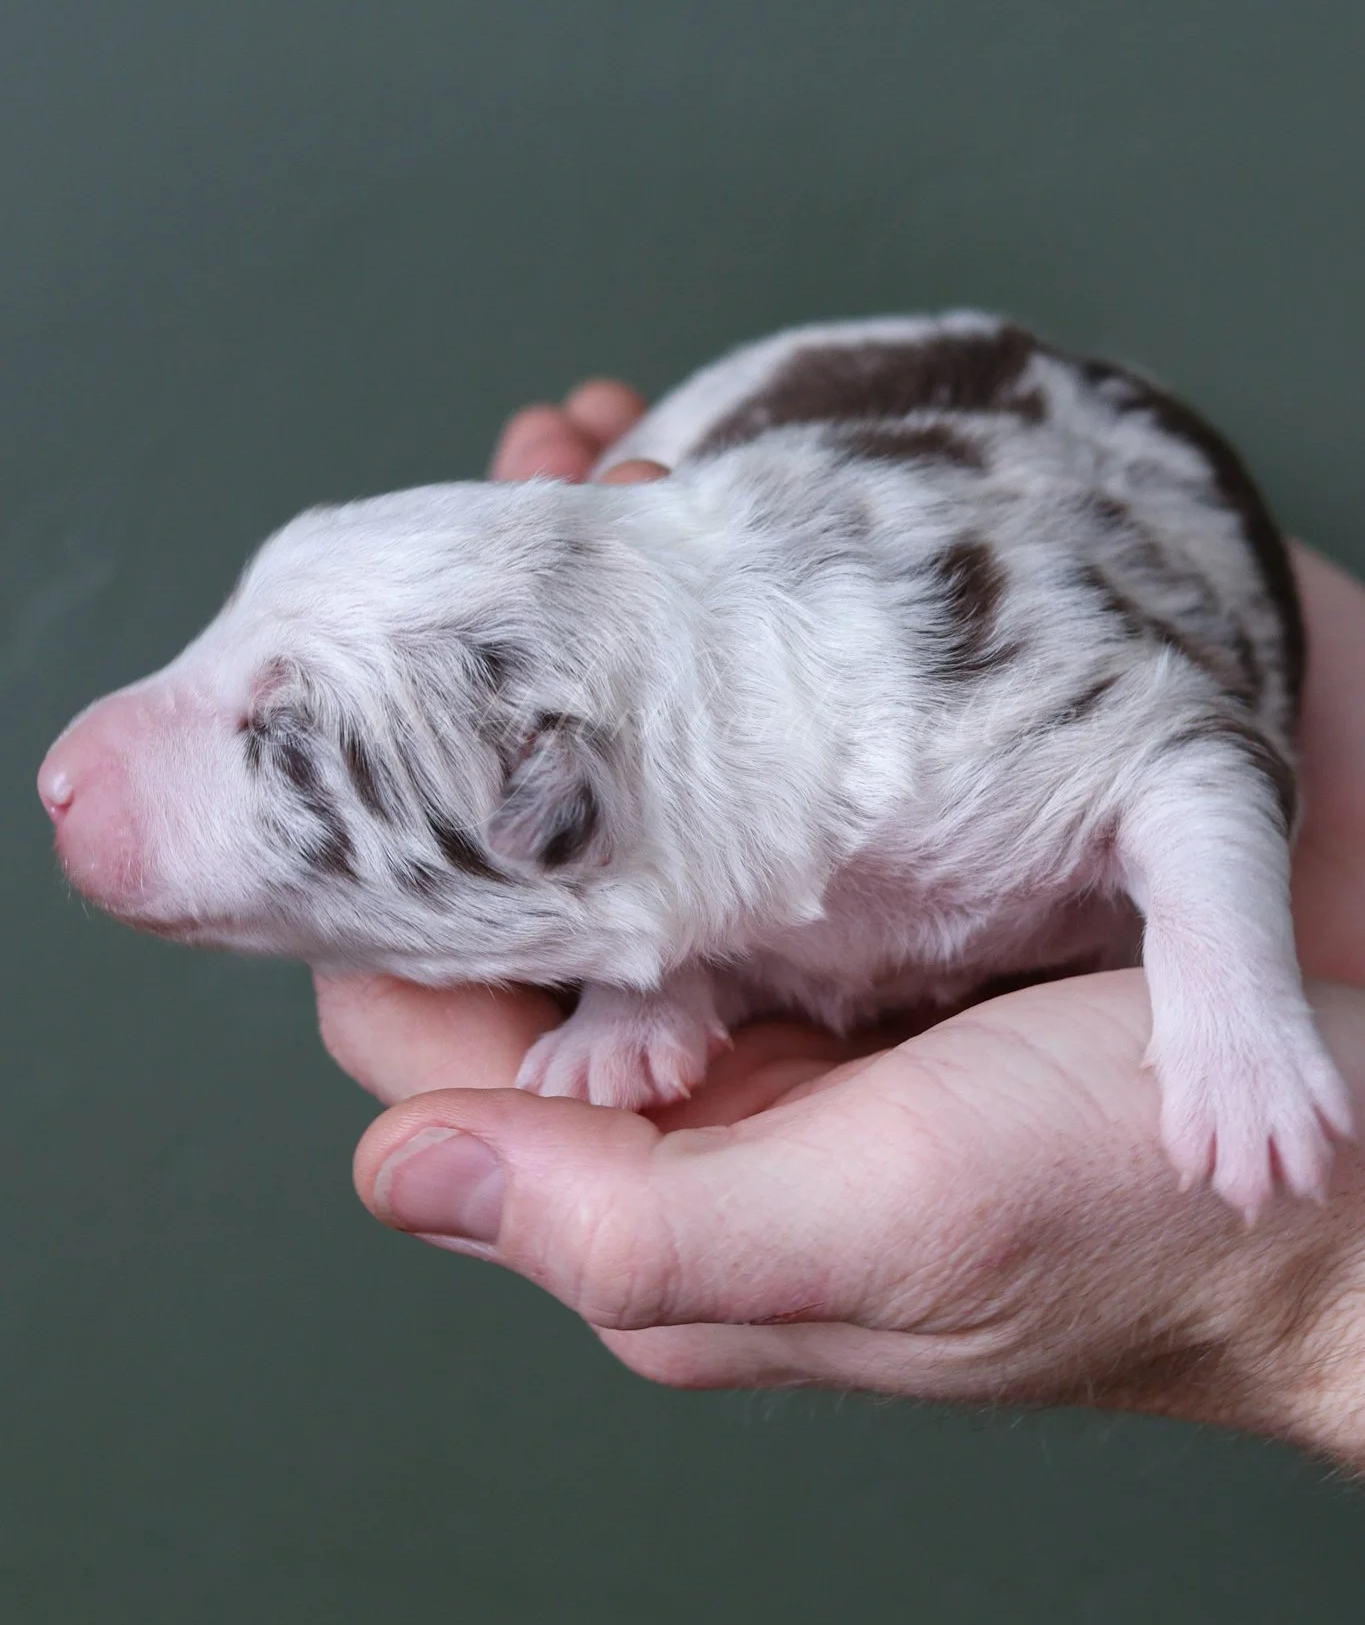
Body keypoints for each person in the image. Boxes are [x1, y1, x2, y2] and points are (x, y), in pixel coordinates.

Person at [317, 380, 1365, 1468]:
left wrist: (1234, 1016)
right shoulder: (675, 795)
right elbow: (660, 856)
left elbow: (1189, 770)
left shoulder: (950, 735)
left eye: (285, 742)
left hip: (977, 469)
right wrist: (648, 987)